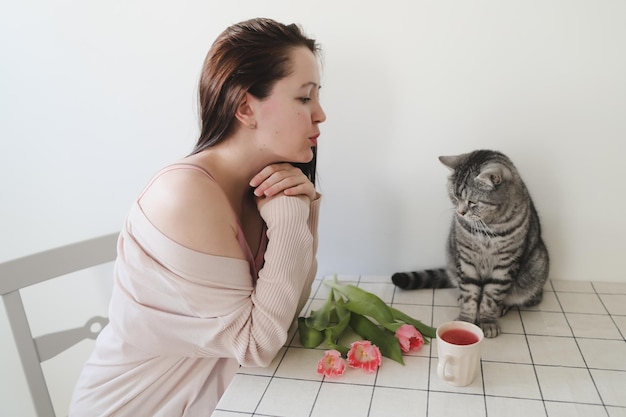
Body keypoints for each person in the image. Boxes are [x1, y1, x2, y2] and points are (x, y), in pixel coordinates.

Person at [69, 17, 326, 416]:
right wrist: (294, 217)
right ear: (245, 107)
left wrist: (300, 208)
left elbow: (287, 311)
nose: (321, 114)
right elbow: (257, 345)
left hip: (226, 398)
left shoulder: (259, 189)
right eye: (305, 98)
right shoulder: (185, 195)